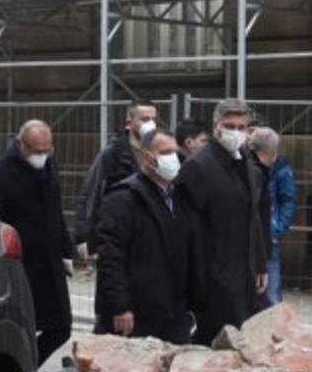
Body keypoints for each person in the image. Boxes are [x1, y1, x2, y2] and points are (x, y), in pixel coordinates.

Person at [174, 98, 270, 344]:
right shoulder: (198, 166)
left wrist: (260, 263)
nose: (235, 132)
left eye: (241, 127)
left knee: (240, 339)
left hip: (244, 272)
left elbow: (253, 216)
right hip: (214, 278)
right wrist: (198, 283)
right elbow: (187, 233)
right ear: (216, 127)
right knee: (214, 342)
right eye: (229, 126)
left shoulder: (245, 161)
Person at [0, 119, 73, 364]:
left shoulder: (49, 165)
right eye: (37, 151)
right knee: (24, 329)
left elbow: (55, 209)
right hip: (21, 267)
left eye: (47, 150)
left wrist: (66, 250)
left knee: (62, 328)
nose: (42, 156)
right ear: (22, 145)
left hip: (51, 264)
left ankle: (28, 366)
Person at [94, 129, 196, 344]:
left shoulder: (179, 197)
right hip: (138, 311)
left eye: (175, 152)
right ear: (148, 158)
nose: (173, 158)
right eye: (165, 152)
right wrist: (120, 306)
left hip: (174, 309)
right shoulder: (123, 198)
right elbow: (110, 257)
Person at [74, 99, 158, 258]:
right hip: (119, 234)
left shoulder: (159, 153)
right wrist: (85, 235)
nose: (151, 124)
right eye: (145, 119)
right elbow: (91, 193)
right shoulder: (112, 155)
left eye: (154, 119)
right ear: (129, 122)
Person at [248, 127, 297, 308]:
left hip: (268, 236)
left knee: (271, 293)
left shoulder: (279, 165)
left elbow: (288, 199)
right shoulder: (243, 164)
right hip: (247, 238)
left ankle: (273, 324)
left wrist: (277, 229)